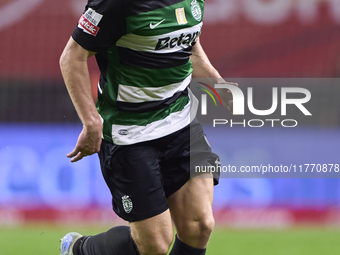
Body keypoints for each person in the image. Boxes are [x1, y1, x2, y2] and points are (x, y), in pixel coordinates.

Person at [59, 1, 233, 255]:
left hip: (182, 123)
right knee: (154, 247)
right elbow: (72, 56)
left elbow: (190, 48)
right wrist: (91, 121)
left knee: (200, 226)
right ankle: (77, 249)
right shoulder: (116, 4)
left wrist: (219, 84)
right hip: (130, 133)